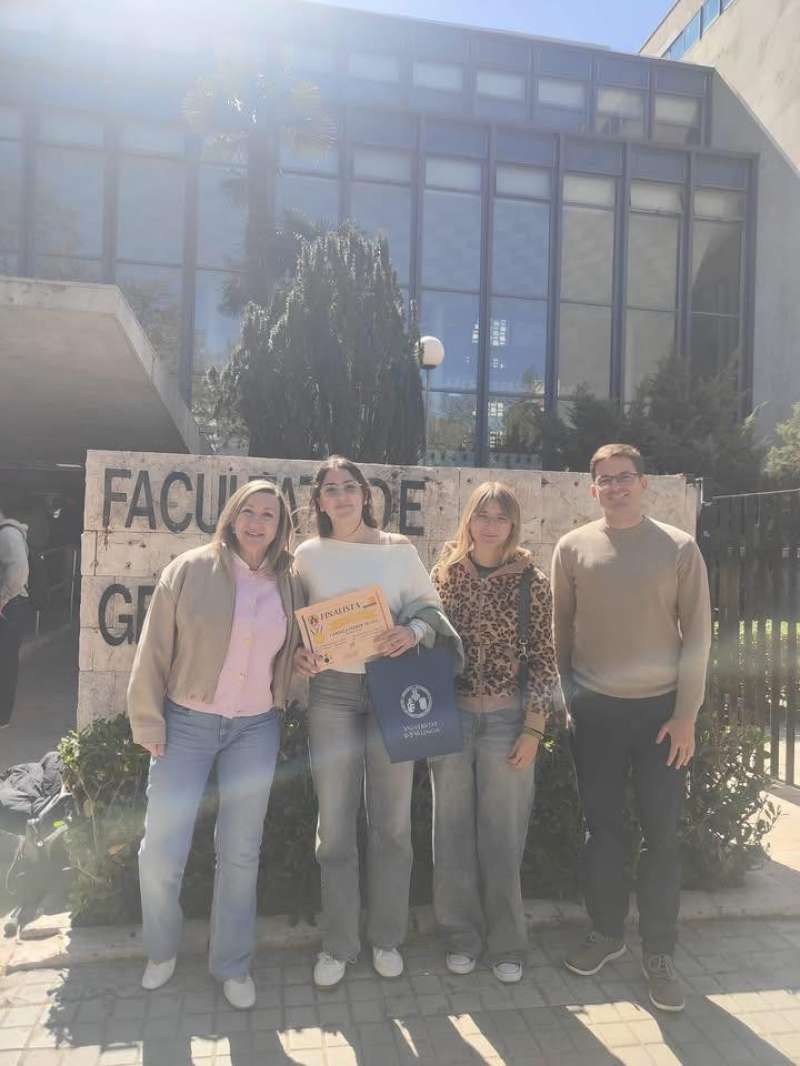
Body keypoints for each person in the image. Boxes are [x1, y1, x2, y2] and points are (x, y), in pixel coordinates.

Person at [127, 480, 303, 1009]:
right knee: (161, 849)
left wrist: (303, 668)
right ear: (230, 516)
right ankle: (161, 949)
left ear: (280, 526)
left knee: (241, 851)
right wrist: (149, 722)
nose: (256, 522)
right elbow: (153, 650)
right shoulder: (188, 570)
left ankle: (231, 963)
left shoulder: (290, 581)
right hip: (187, 724)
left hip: (255, 728)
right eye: (248, 511)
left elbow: (291, 651)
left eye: (268, 515)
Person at [551, 444, 711, 1013]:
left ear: (643, 484)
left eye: (625, 478)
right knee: (603, 832)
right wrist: (567, 697)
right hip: (594, 713)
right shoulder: (572, 548)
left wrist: (686, 714)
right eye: (604, 480)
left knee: (662, 837)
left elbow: (697, 635)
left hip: (661, 716)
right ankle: (607, 933)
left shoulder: (678, 548)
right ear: (591, 488)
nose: (615, 487)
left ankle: (660, 953)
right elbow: (561, 627)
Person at [293, 455, 461, 990]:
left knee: (390, 823)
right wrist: (300, 656)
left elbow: (431, 611)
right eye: (330, 489)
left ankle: (386, 937)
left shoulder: (399, 550)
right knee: (335, 824)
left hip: (393, 688)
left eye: (350, 487)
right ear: (318, 501)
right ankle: (339, 944)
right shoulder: (308, 555)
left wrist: (412, 632)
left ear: (366, 495)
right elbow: (293, 625)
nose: (341, 497)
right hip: (333, 693)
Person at [429, 482, 558, 984]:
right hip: (452, 719)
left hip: (507, 721)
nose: (490, 524)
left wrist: (533, 729)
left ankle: (508, 943)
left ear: (513, 525)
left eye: (500, 517)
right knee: (452, 833)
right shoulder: (444, 576)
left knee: (503, 837)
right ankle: (461, 935)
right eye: (482, 514)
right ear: (468, 519)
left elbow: (545, 661)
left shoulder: (533, 583)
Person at [0, 495, 31, 730]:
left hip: (9, 608)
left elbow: (18, 573)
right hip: (7, 605)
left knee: (5, 663)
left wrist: (1, 599)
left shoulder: (8, 534)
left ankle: (2, 717)